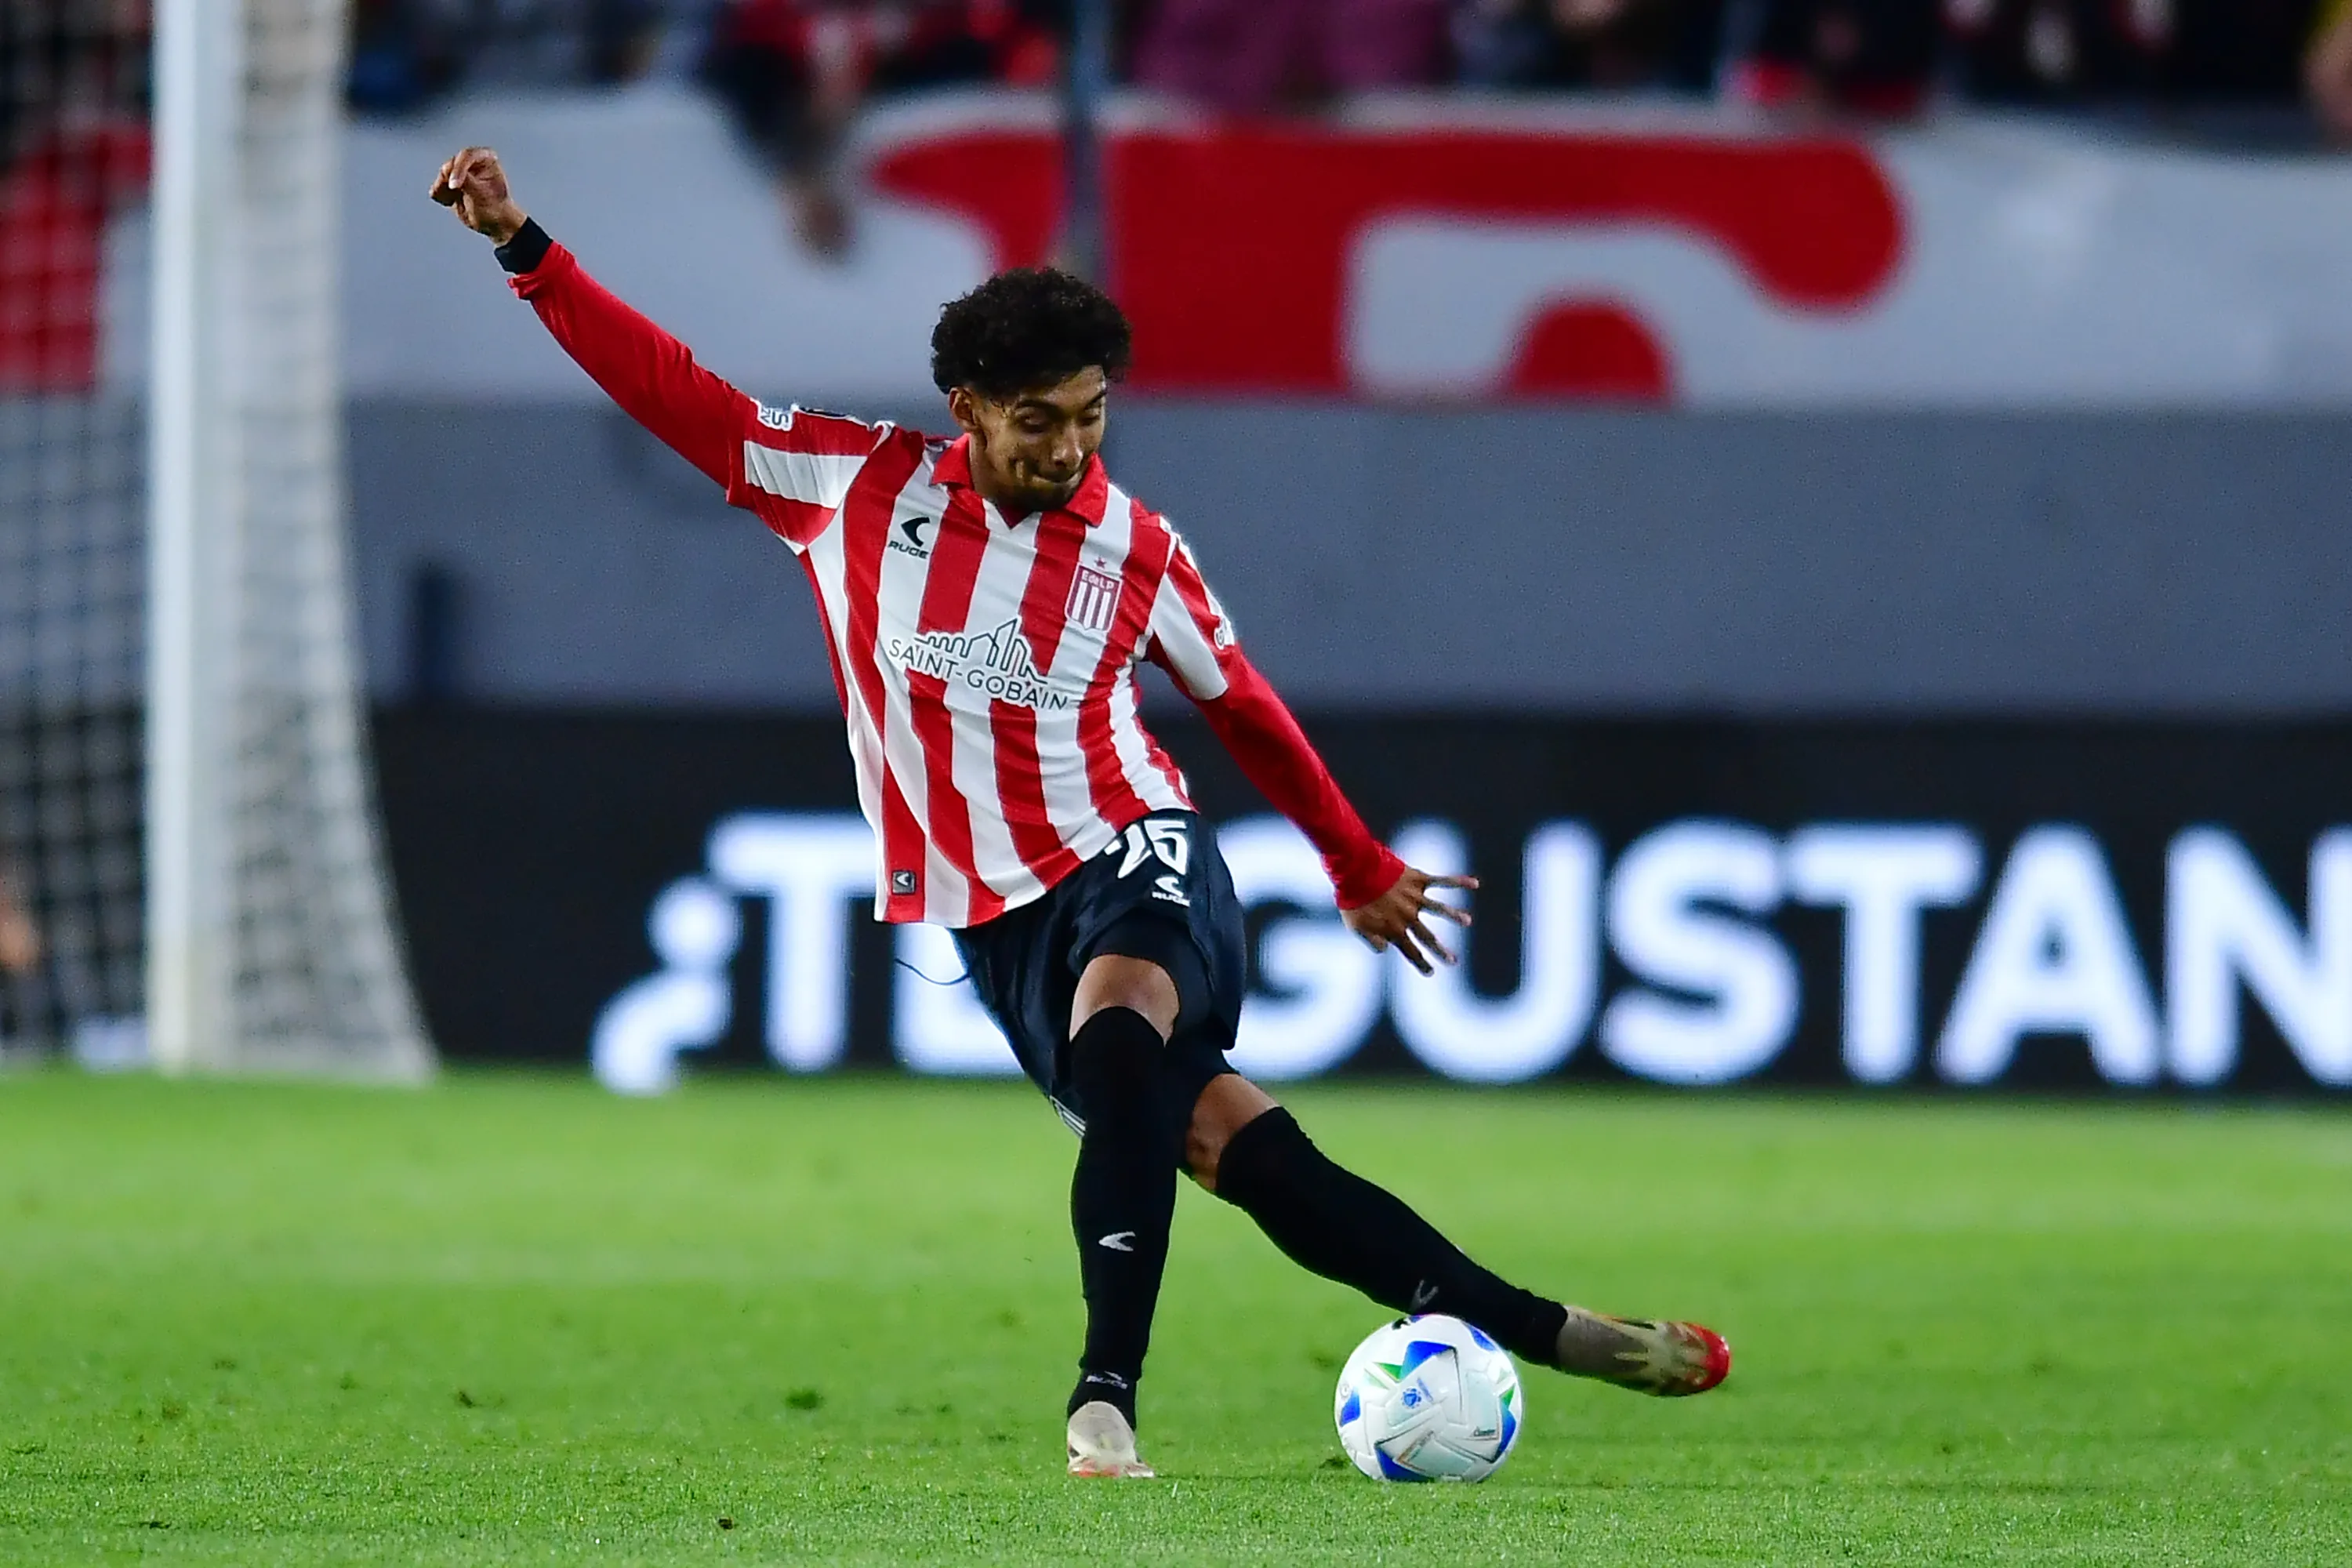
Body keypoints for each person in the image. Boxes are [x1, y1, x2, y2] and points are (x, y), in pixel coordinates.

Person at [430, 144, 1732, 1479]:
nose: (1069, 450)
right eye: (1038, 421)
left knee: (1121, 1039)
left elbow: (1242, 706)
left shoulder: (1135, 549)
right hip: (995, 921)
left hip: (1134, 846)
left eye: (1091, 417)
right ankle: (1536, 1327)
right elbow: (672, 393)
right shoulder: (853, 491)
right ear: (970, 409)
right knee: (1231, 1144)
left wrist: (1354, 863)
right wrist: (526, 247)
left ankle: (1103, 1400)